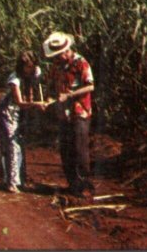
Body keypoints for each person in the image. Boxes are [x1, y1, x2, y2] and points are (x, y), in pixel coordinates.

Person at [43, 31, 96, 197]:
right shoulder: (56, 66)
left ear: (66, 50)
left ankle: (85, 185)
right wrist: (48, 99)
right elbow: (50, 85)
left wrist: (69, 95)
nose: (56, 58)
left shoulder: (81, 63)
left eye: (59, 55)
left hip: (79, 112)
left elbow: (90, 86)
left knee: (80, 150)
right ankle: (73, 184)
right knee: (66, 149)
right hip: (63, 114)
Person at [0, 50, 45, 193]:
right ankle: (10, 181)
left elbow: (33, 88)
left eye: (32, 66)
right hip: (10, 112)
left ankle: (20, 179)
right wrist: (36, 104)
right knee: (12, 145)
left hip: (23, 111)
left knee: (21, 143)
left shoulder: (35, 72)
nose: (30, 69)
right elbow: (19, 102)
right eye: (27, 66)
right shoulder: (15, 79)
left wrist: (34, 102)